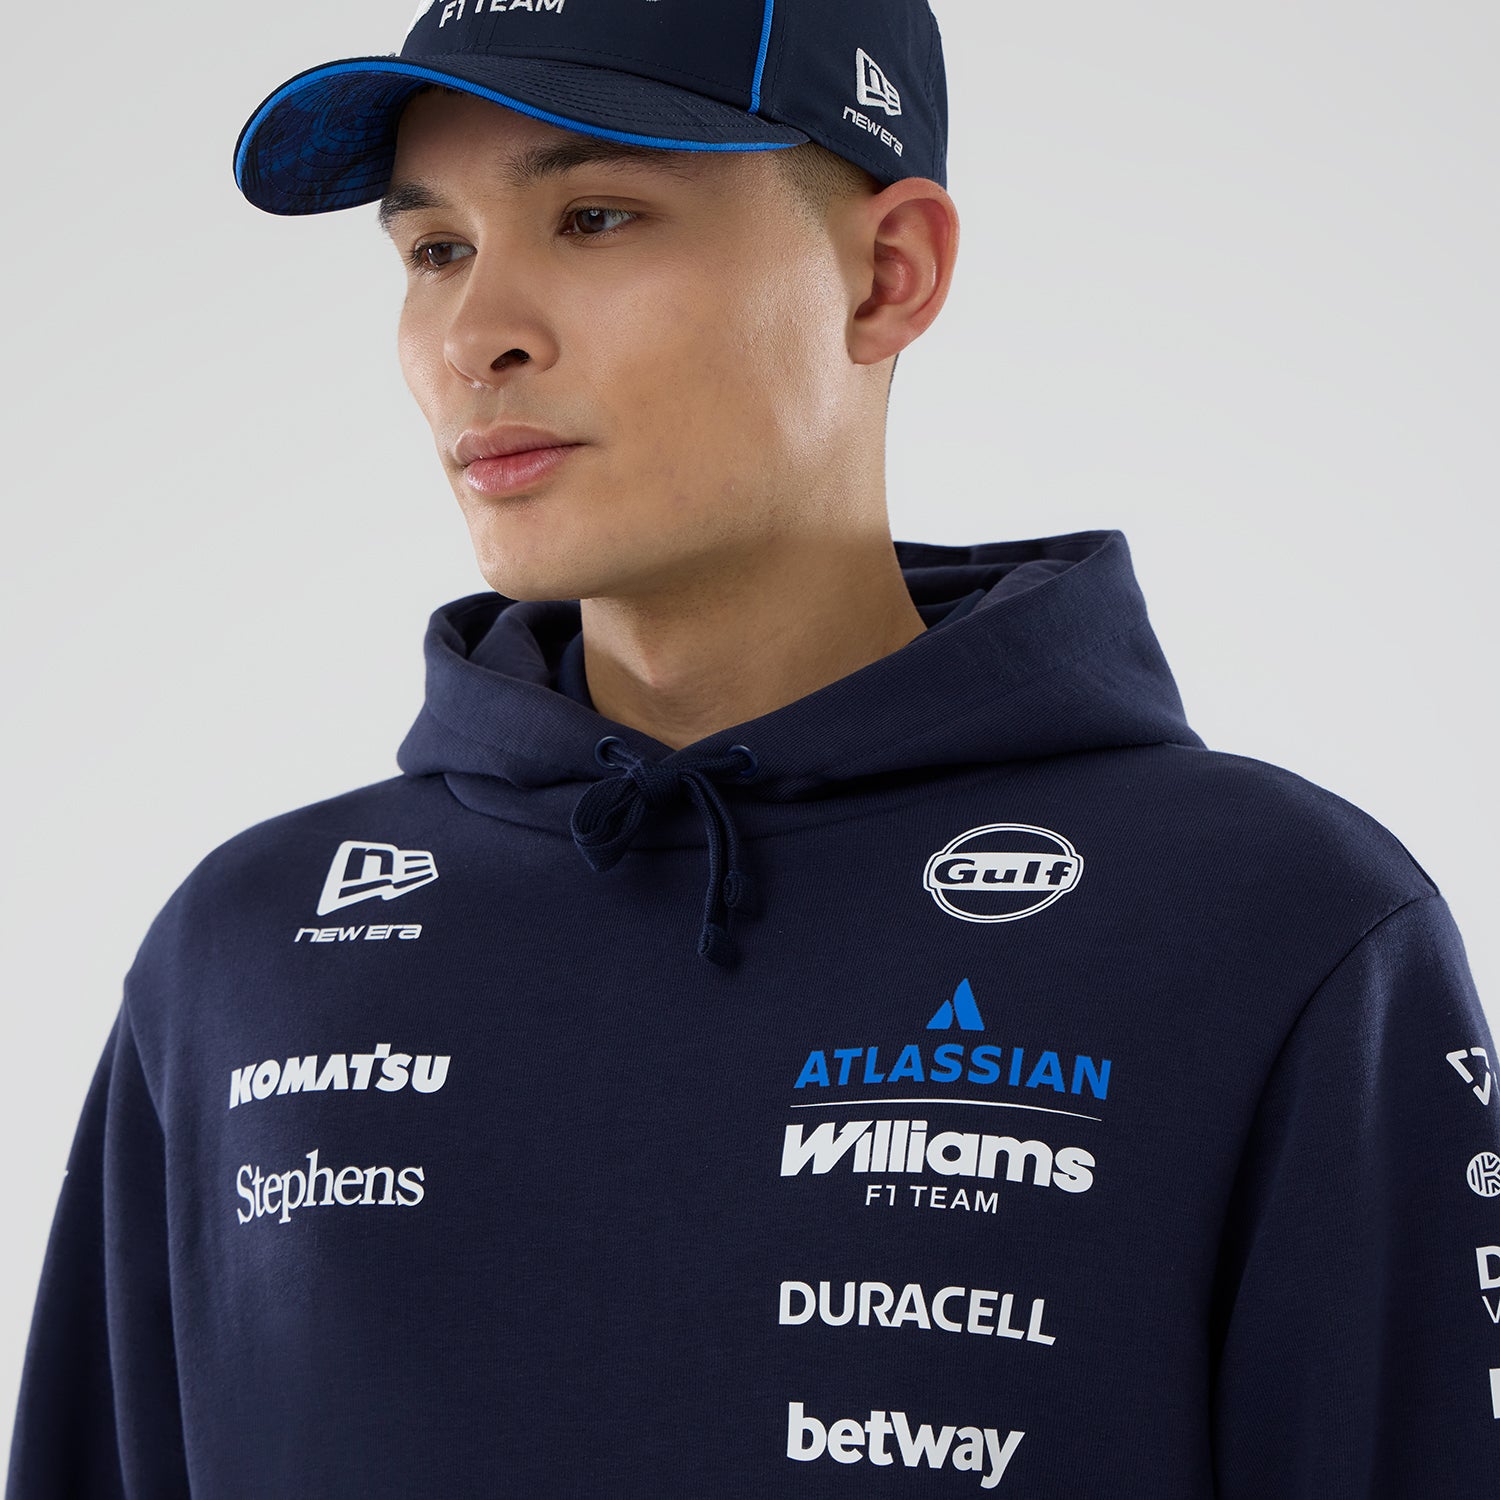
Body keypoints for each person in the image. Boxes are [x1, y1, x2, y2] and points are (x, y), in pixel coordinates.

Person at [7, 1, 1497, 1495]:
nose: (474, 336)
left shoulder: (1274, 922)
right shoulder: (243, 948)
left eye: (595, 217)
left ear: (890, 272)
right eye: (435, 249)